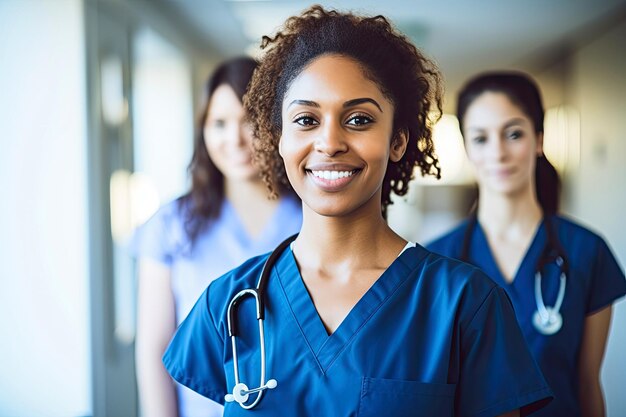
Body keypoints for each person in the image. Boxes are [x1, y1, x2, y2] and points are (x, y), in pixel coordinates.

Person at [162, 7, 553, 416]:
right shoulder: (228, 303)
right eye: (306, 119)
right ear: (278, 139)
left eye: (359, 119)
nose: (329, 142)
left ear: (398, 140)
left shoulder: (466, 304)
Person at [427, 71, 626, 417]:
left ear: (538, 140)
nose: (499, 153)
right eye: (481, 138)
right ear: (467, 149)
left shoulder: (586, 251)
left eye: (514, 134)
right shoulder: (436, 260)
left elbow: (587, 383)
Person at [131, 56, 302, 417]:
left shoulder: (312, 217)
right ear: (203, 131)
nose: (235, 139)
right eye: (219, 123)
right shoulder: (171, 225)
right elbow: (155, 347)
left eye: (250, 122)